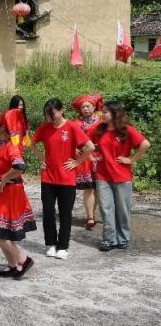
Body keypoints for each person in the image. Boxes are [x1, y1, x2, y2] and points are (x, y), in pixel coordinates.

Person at [29, 98, 94, 260]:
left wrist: (77, 162)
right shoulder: (45, 127)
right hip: (48, 177)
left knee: (65, 213)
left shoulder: (72, 126)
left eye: (53, 114)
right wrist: (42, 158)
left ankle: (63, 246)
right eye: (48, 115)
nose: (51, 118)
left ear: (61, 110)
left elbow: (90, 147)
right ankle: (51, 243)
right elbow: (31, 143)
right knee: (48, 211)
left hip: (67, 177)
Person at [90, 102, 150, 251]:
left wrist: (131, 159)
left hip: (122, 177)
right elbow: (85, 143)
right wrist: (92, 156)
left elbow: (145, 144)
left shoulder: (127, 130)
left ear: (115, 113)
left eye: (105, 112)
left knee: (123, 209)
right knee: (106, 208)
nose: (102, 115)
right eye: (102, 112)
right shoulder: (99, 129)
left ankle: (123, 238)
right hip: (103, 176)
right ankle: (109, 239)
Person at [0, 109, 37, 279]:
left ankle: (24, 260)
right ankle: (13, 264)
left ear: (2, 128)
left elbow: (19, 166)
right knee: (0, 232)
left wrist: (5, 178)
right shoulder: (1, 144)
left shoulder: (11, 146)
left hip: (7, 192)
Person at [71, 93, 103, 230]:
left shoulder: (102, 120)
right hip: (85, 157)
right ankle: (90, 216)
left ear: (94, 107)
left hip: (101, 156)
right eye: (83, 107)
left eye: (88, 106)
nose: (85, 109)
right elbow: (71, 139)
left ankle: (93, 214)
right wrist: (74, 148)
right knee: (89, 187)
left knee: (99, 188)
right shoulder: (76, 123)